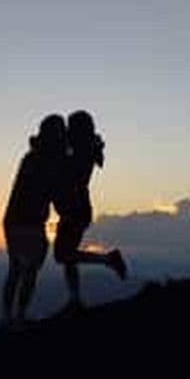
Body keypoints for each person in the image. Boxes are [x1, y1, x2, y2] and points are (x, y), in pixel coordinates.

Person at [53, 109, 127, 313]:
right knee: (67, 257)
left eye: (70, 126)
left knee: (63, 255)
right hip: (75, 209)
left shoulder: (80, 152)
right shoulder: (84, 148)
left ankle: (108, 259)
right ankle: (75, 300)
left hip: (75, 210)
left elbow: (67, 169)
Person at [1, 114, 67, 325]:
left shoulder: (33, 157)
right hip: (25, 222)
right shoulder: (43, 160)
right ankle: (16, 316)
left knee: (18, 270)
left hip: (17, 220)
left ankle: (10, 316)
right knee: (27, 270)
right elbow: (50, 188)